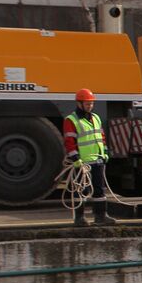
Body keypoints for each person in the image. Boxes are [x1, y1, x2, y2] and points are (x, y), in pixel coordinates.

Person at [63, 88, 111, 225]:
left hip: (98, 160)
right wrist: (75, 159)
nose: (90, 106)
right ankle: (79, 218)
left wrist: (105, 152)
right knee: (81, 190)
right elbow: (69, 142)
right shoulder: (71, 120)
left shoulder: (95, 118)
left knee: (99, 190)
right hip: (82, 163)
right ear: (79, 104)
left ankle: (101, 217)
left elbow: (101, 137)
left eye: (91, 103)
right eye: (87, 104)